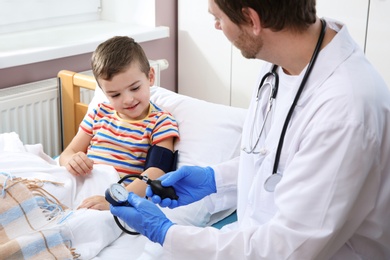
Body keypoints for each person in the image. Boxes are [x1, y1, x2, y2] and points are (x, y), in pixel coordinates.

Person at [109, 0, 390, 259]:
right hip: (254, 238)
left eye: (218, 17)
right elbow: (273, 160)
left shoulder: (347, 110)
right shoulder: (280, 63)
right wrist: (214, 179)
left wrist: (166, 233)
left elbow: (287, 249)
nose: (217, 26)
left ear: (251, 20)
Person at [59, 36, 179, 210]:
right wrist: (72, 160)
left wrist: (115, 199)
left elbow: (157, 171)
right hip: (80, 183)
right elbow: (68, 153)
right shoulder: (99, 113)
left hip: (113, 193)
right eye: (115, 95)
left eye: (135, 88)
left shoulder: (160, 122)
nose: (128, 100)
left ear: (150, 77)